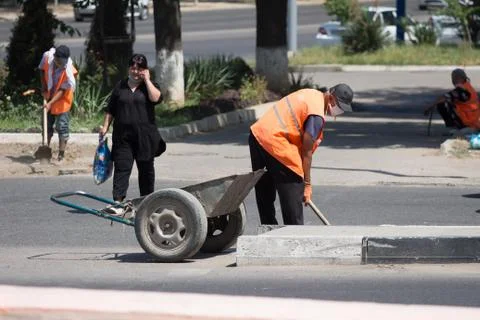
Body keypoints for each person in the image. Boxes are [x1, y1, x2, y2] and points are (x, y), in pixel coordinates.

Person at [249, 84, 354, 225]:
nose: (339, 111)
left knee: (264, 190)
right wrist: (307, 183)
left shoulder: (312, 94)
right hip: (275, 141)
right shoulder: (316, 114)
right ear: (331, 97)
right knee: (293, 187)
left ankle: (268, 231)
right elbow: (307, 151)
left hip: (257, 135)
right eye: (339, 106)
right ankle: (294, 234)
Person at [99, 54, 163, 215]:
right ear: (129, 68)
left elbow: (156, 98)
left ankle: (147, 202)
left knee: (146, 170)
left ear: (145, 70)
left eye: (139, 68)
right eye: (133, 67)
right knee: (122, 167)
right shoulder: (120, 86)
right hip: (123, 137)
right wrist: (105, 126)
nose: (135, 71)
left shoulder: (150, 86)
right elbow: (111, 109)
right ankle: (118, 203)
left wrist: (147, 80)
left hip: (145, 138)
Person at [38, 45, 78, 161]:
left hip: (62, 99)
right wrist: (44, 87)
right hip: (49, 95)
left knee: (62, 126)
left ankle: (61, 154)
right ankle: (46, 148)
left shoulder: (68, 69)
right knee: (46, 125)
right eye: (59, 61)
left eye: (63, 61)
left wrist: (50, 103)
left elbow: (63, 89)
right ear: (55, 57)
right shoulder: (47, 57)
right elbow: (41, 70)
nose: (61, 64)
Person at [424, 68, 480, 135]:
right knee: (448, 102)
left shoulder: (462, 90)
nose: (453, 81)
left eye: (454, 78)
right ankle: (462, 128)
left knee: (443, 104)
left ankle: (456, 128)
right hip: (474, 120)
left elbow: (445, 97)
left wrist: (430, 107)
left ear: (460, 78)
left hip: (468, 121)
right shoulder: (468, 87)